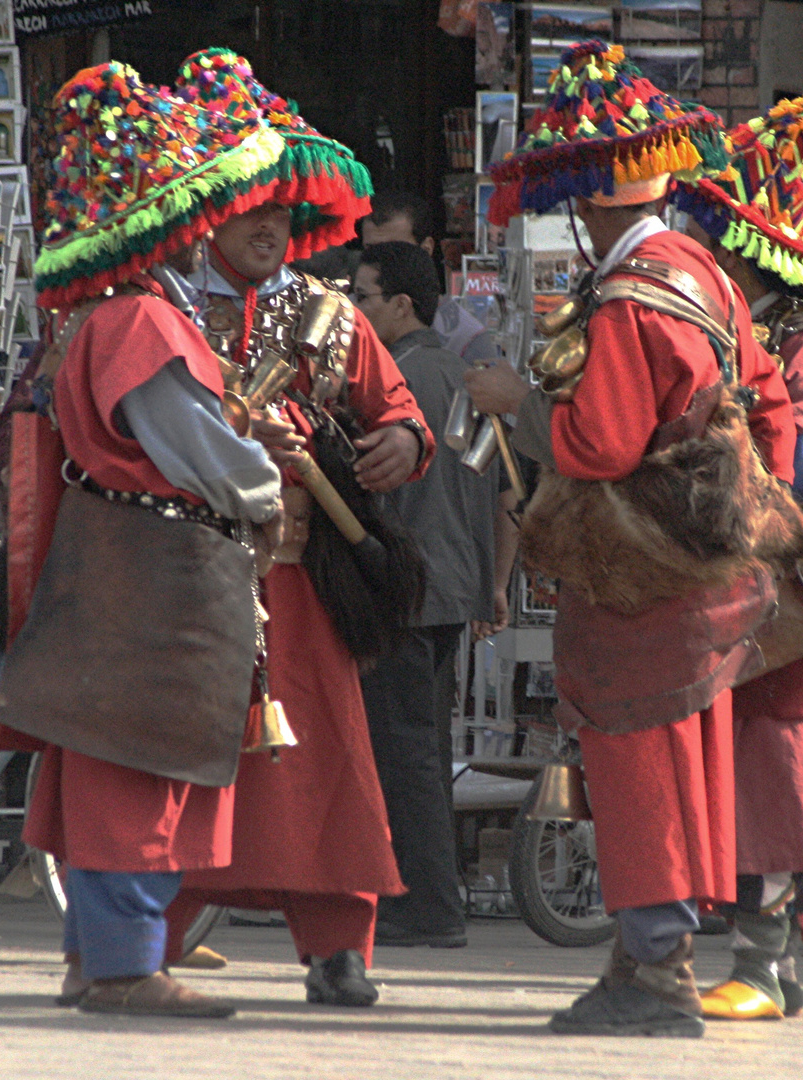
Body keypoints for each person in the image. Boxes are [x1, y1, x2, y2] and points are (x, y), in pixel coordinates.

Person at [466, 40, 800, 1038]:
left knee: (637, 764)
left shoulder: (627, 300)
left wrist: (521, 404)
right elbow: (769, 401)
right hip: (707, 562)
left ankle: (653, 971)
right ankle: (656, 953)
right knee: (685, 758)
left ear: (588, 200)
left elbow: (599, 443)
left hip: (637, 576)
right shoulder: (706, 275)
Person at [0, 62, 283, 1018]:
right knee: (135, 767)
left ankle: (101, 957)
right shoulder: (143, 318)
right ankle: (122, 964)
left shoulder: (112, 314)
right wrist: (260, 481)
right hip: (153, 573)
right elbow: (191, 445)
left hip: (126, 565)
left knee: (115, 759)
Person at [156, 47, 433, 1009]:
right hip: (189, 573)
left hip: (299, 578)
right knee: (180, 753)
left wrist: (401, 441)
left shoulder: (331, 316)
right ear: (207, 213)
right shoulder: (159, 308)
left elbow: (401, 415)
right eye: (247, 206)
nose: (269, 224)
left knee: (331, 765)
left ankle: (339, 946)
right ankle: (153, 929)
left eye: (281, 207)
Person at [672, 96, 803, 1021]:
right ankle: (768, 968)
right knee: (749, 785)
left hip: (799, 619)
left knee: (776, 792)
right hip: (749, 606)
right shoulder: (750, 346)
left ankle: (762, 963)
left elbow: (801, 469)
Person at [351, 241, 502, 948]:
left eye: (363, 298)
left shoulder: (398, 378)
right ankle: (424, 895)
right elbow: (496, 492)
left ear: (401, 305)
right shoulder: (459, 374)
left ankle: (430, 905)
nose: (354, 312)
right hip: (448, 584)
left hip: (409, 585)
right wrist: (490, 584)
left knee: (405, 748)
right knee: (422, 746)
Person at [360, 190, 501, 362]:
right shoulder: (345, 320)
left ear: (426, 249)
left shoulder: (466, 338)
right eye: (371, 250)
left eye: (396, 251)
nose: (379, 263)